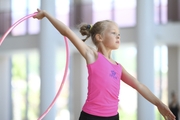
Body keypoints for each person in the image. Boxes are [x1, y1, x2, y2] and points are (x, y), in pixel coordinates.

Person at [33, 8, 176, 120]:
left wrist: (159, 103)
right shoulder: (92, 55)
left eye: (119, 33)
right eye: (113, 32)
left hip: (113, 117)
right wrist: (46, 14)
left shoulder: (118, 67)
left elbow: (139, 86)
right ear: (99, 37)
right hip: (91, 117)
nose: (118, 35)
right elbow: (67, 31)